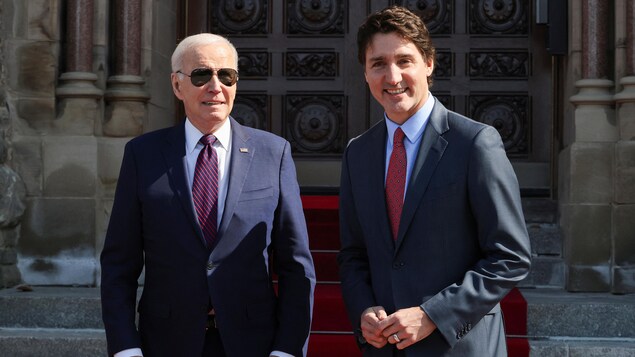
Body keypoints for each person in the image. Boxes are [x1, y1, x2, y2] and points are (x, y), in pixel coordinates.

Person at [100, 33, 316, 357]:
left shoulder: (273, 153)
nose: (215, 86)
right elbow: (119, 263)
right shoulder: (142, 155)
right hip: (166, 343)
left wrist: (286, 350)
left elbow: (296, 266)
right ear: (177, 85)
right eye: (202, 75)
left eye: (226, 75)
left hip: (252, 343)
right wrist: (125, 348)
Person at [337, 6, 532, 356]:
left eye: (404, 60)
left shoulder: (474, 143)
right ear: (365, 73)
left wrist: (432, 315)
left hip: (459, 347)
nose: (392, 76)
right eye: (378, 63)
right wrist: (363, 310)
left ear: (428, 63)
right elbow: (353, 255)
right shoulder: (358, 154)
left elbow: (510, 256)